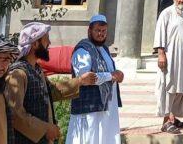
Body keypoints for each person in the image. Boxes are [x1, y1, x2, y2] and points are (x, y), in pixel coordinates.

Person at [7, 22, 97, 143]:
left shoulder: (36, 70)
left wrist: (80, 81)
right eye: (46, 40)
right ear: (35, 44)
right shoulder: (18, 74)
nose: (49, 43)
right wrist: (45, 129)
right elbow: (16, 114)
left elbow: (51, 91)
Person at [66, 14, 124, 144]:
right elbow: (85, 77)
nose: (101, 34)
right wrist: (111, 76)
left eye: (103, 31)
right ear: (89, 31)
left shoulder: (104, 49)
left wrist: (117, 75)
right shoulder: (82, 49)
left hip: (106, 106)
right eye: (97, 30)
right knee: (88, 138)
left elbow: (110, 72)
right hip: (89, 107)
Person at [153, 0, 183, 134]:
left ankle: (173, 117)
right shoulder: (166, 13)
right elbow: (160, 34)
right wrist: (161, 54)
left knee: (181, 88)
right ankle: (165, 122)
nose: (182, 0)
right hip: (170, 57)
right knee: (169, 86)